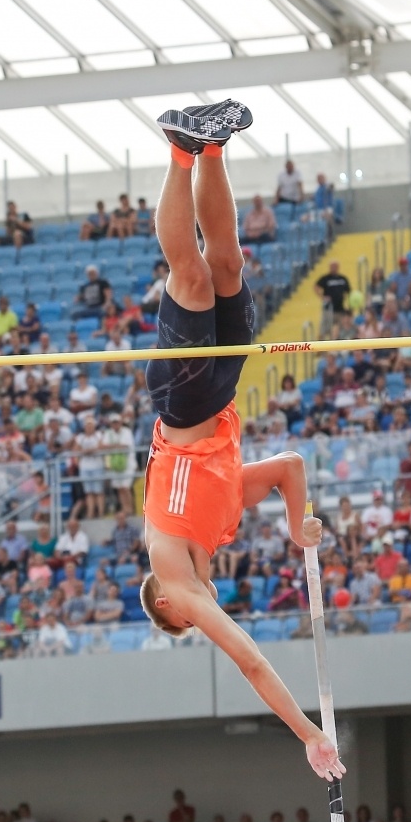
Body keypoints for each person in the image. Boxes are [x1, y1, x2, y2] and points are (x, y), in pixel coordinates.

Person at [144, 99, 342, 783]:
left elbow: (251, 660)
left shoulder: (176, 578)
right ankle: (212, 147)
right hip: (221, 389)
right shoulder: (222, 523)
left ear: (168, 608)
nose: (198, 619)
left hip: (182, 401)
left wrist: (309, 734)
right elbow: (288, 467)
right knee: (225, 264)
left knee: (190, 274)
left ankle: (177, 150)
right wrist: (299, 528)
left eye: (185, 622)